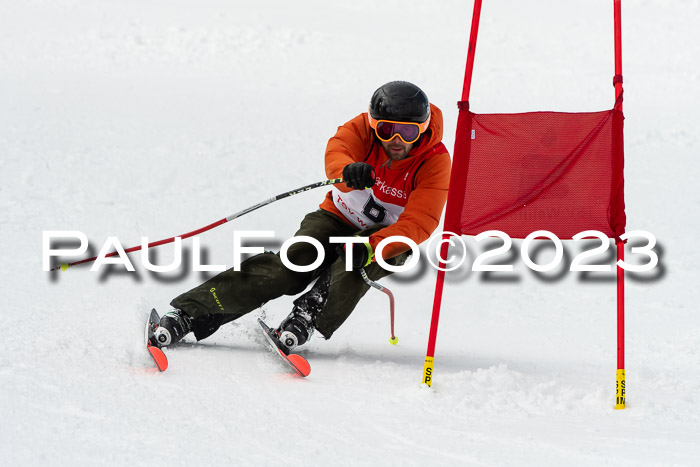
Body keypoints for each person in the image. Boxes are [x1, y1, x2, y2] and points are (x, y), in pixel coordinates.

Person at [152, 81, 452, 354]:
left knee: (355, 262)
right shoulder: (361, 129)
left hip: (388, 238)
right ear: (374, 125)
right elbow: (339, 149)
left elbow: (420, 221)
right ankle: (191, 313)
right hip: (337, 216)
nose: (396, 139)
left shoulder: (435, 161)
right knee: (290, 266)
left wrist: (374, 246)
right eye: (386, 130)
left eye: (408, 131)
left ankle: (306, 316)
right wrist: (346, 172)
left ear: (423, 128)